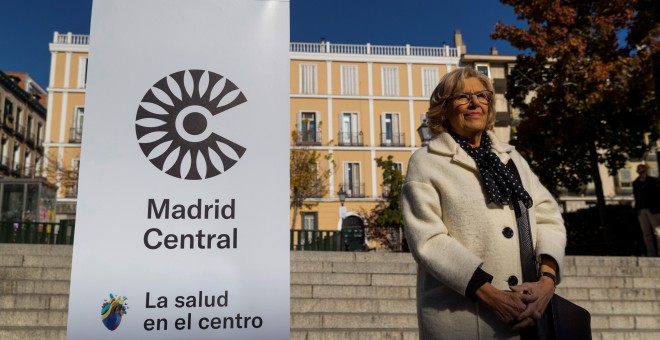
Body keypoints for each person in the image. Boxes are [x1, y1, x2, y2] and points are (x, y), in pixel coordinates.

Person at [402, 67, 566, 339]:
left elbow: (548, 218)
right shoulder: (426, 162)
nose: (475, 102)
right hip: (464, 319)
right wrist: (489, 294)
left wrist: (547, 281)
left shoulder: (512, 159)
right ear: (444, 108)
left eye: (482, 95)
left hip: (529, 317)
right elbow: (428, 239)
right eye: (463, 96)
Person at [632, 163, 660, 257]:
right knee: (646, 233)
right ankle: (651, 252)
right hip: (641, 210)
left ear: (646, 171)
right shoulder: (636, 183)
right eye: (639, 170)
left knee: (657, 231)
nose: (641, 172)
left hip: (653, 209)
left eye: (643, 170)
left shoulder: (653, 181)